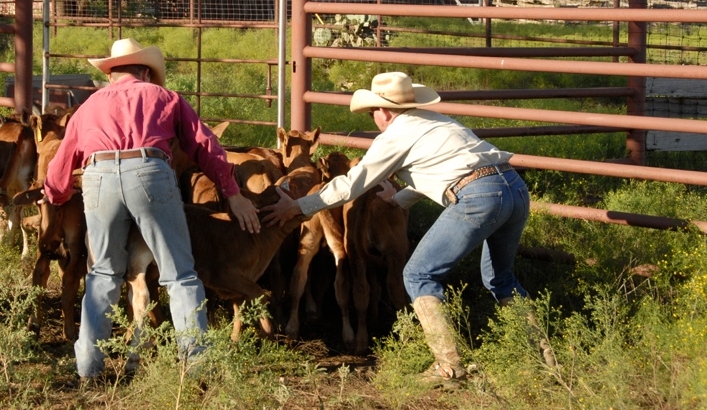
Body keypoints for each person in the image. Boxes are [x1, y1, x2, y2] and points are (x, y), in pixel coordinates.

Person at [263, 71, 531, 385]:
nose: (374, 116)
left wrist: (297, 206)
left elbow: (352, 184)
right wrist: (400, 199)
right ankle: (538, 354)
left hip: (479, 197)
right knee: (500, 277)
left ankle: (449, 366)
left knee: (418, 274)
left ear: (385, 112)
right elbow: (455, 165)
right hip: (513, 188)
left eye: (373, 111)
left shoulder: (394, 135)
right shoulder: (437, 120)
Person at [43, 37, 261, 380]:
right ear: (145, 70)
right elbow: (205, 145)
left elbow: (61, 163)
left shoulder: (88, 106)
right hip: (150, 171)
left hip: (98, 176)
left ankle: (89, 370)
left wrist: (55, 196)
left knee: (102, 275)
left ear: (112, 73)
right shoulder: (166, 97)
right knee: (180, 275)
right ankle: (196, 367)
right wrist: (231, 192)